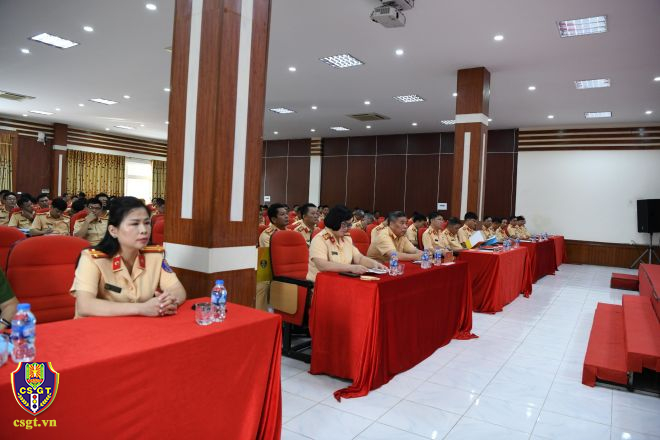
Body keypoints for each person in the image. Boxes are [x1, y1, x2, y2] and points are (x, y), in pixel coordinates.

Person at [70, 197, 186, 318]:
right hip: (96, 327)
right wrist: (141, 308)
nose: (144, 230)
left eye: (147, 223)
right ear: (113, 231)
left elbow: (177, 289)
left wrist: (169, 301)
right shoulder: (92, 259)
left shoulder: (154, 256)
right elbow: (85, 306)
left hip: (137, 326)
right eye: (134, 224)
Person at [307, 205, 386, 281]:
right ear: (334, 221)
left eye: (349, 225)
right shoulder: (320, 239)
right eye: (344, 224)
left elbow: (359, 258)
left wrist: (376, 265)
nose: (347, 228)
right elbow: (322, 265)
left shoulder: (347, 238)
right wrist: (351, 268)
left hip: (343, 281)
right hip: (321, 284)